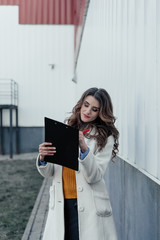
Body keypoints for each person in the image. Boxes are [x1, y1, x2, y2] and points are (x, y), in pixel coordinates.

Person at [37, 87, 119, 240]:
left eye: (94, 109)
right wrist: (43, 158)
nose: (87, 111)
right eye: (86, 105)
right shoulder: (65, 129)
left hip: (89, 206)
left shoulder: (105, 137)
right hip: (61, 204)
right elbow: (49, 173)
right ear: (81, 104)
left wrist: (84, 148)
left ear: (101, 113)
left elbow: (95, 176)